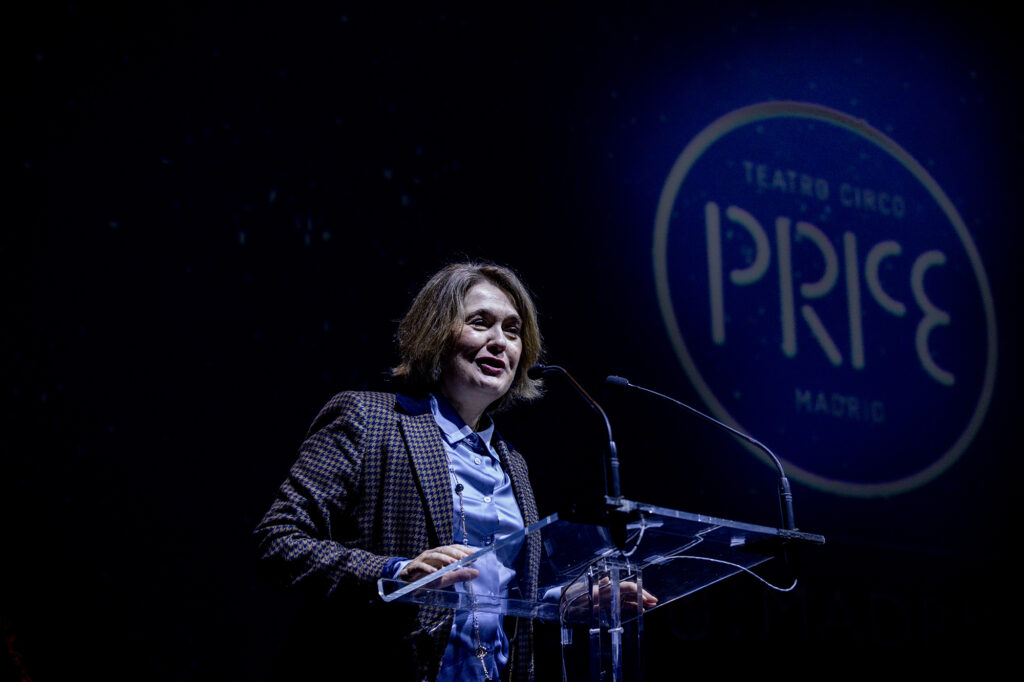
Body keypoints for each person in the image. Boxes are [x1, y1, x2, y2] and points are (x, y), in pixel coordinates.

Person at [254, 261, 545, 682]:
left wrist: (572, 598)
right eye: (480, 323)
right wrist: (394, 573)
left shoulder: (513, 462)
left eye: (513, 330)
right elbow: (277, 540)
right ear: (436, 332)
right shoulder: (368, 419)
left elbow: (507, 592)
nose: (500, 342)